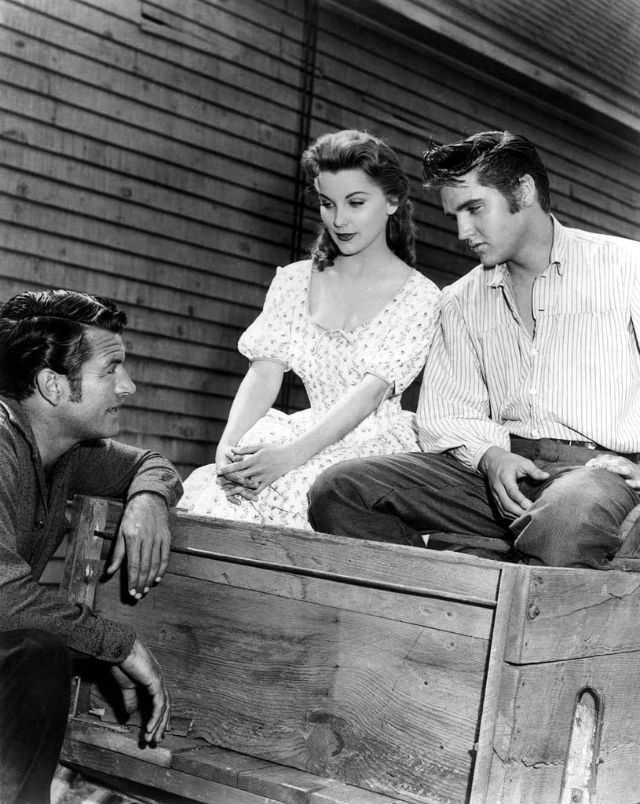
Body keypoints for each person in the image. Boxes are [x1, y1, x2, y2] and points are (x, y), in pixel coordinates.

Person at [308, 130, 640, 569]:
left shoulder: (626, 268)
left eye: (474, 209)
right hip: (496, 473)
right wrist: (491, 456)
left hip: (600, 476)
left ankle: (513, 564)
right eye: (455, 216)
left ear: (523, 190)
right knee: (341, 489)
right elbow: (448, 413)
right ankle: (440, 610)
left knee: (566, 518)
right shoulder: (461, 299)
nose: (464, 232)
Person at [179, 129, 440, 529]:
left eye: (356, 202)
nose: (339, 219)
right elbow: (263, 372)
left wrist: (289, 457)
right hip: (301, 429)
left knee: (302, 487)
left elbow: (368, 396)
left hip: (372, 448)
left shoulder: (420, 296)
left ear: (391, 201)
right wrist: (228, 446)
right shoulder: (294, 281)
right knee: (229, 487)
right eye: (326, 203)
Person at [0, 289, 183, 804]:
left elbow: (153, 464)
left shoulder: (68, 451)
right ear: (53, 385)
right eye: (112, 369)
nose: (129, 386)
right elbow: (2, 593)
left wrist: (148, 500)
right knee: (36, 653)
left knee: (41, 652)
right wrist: (117, 643)